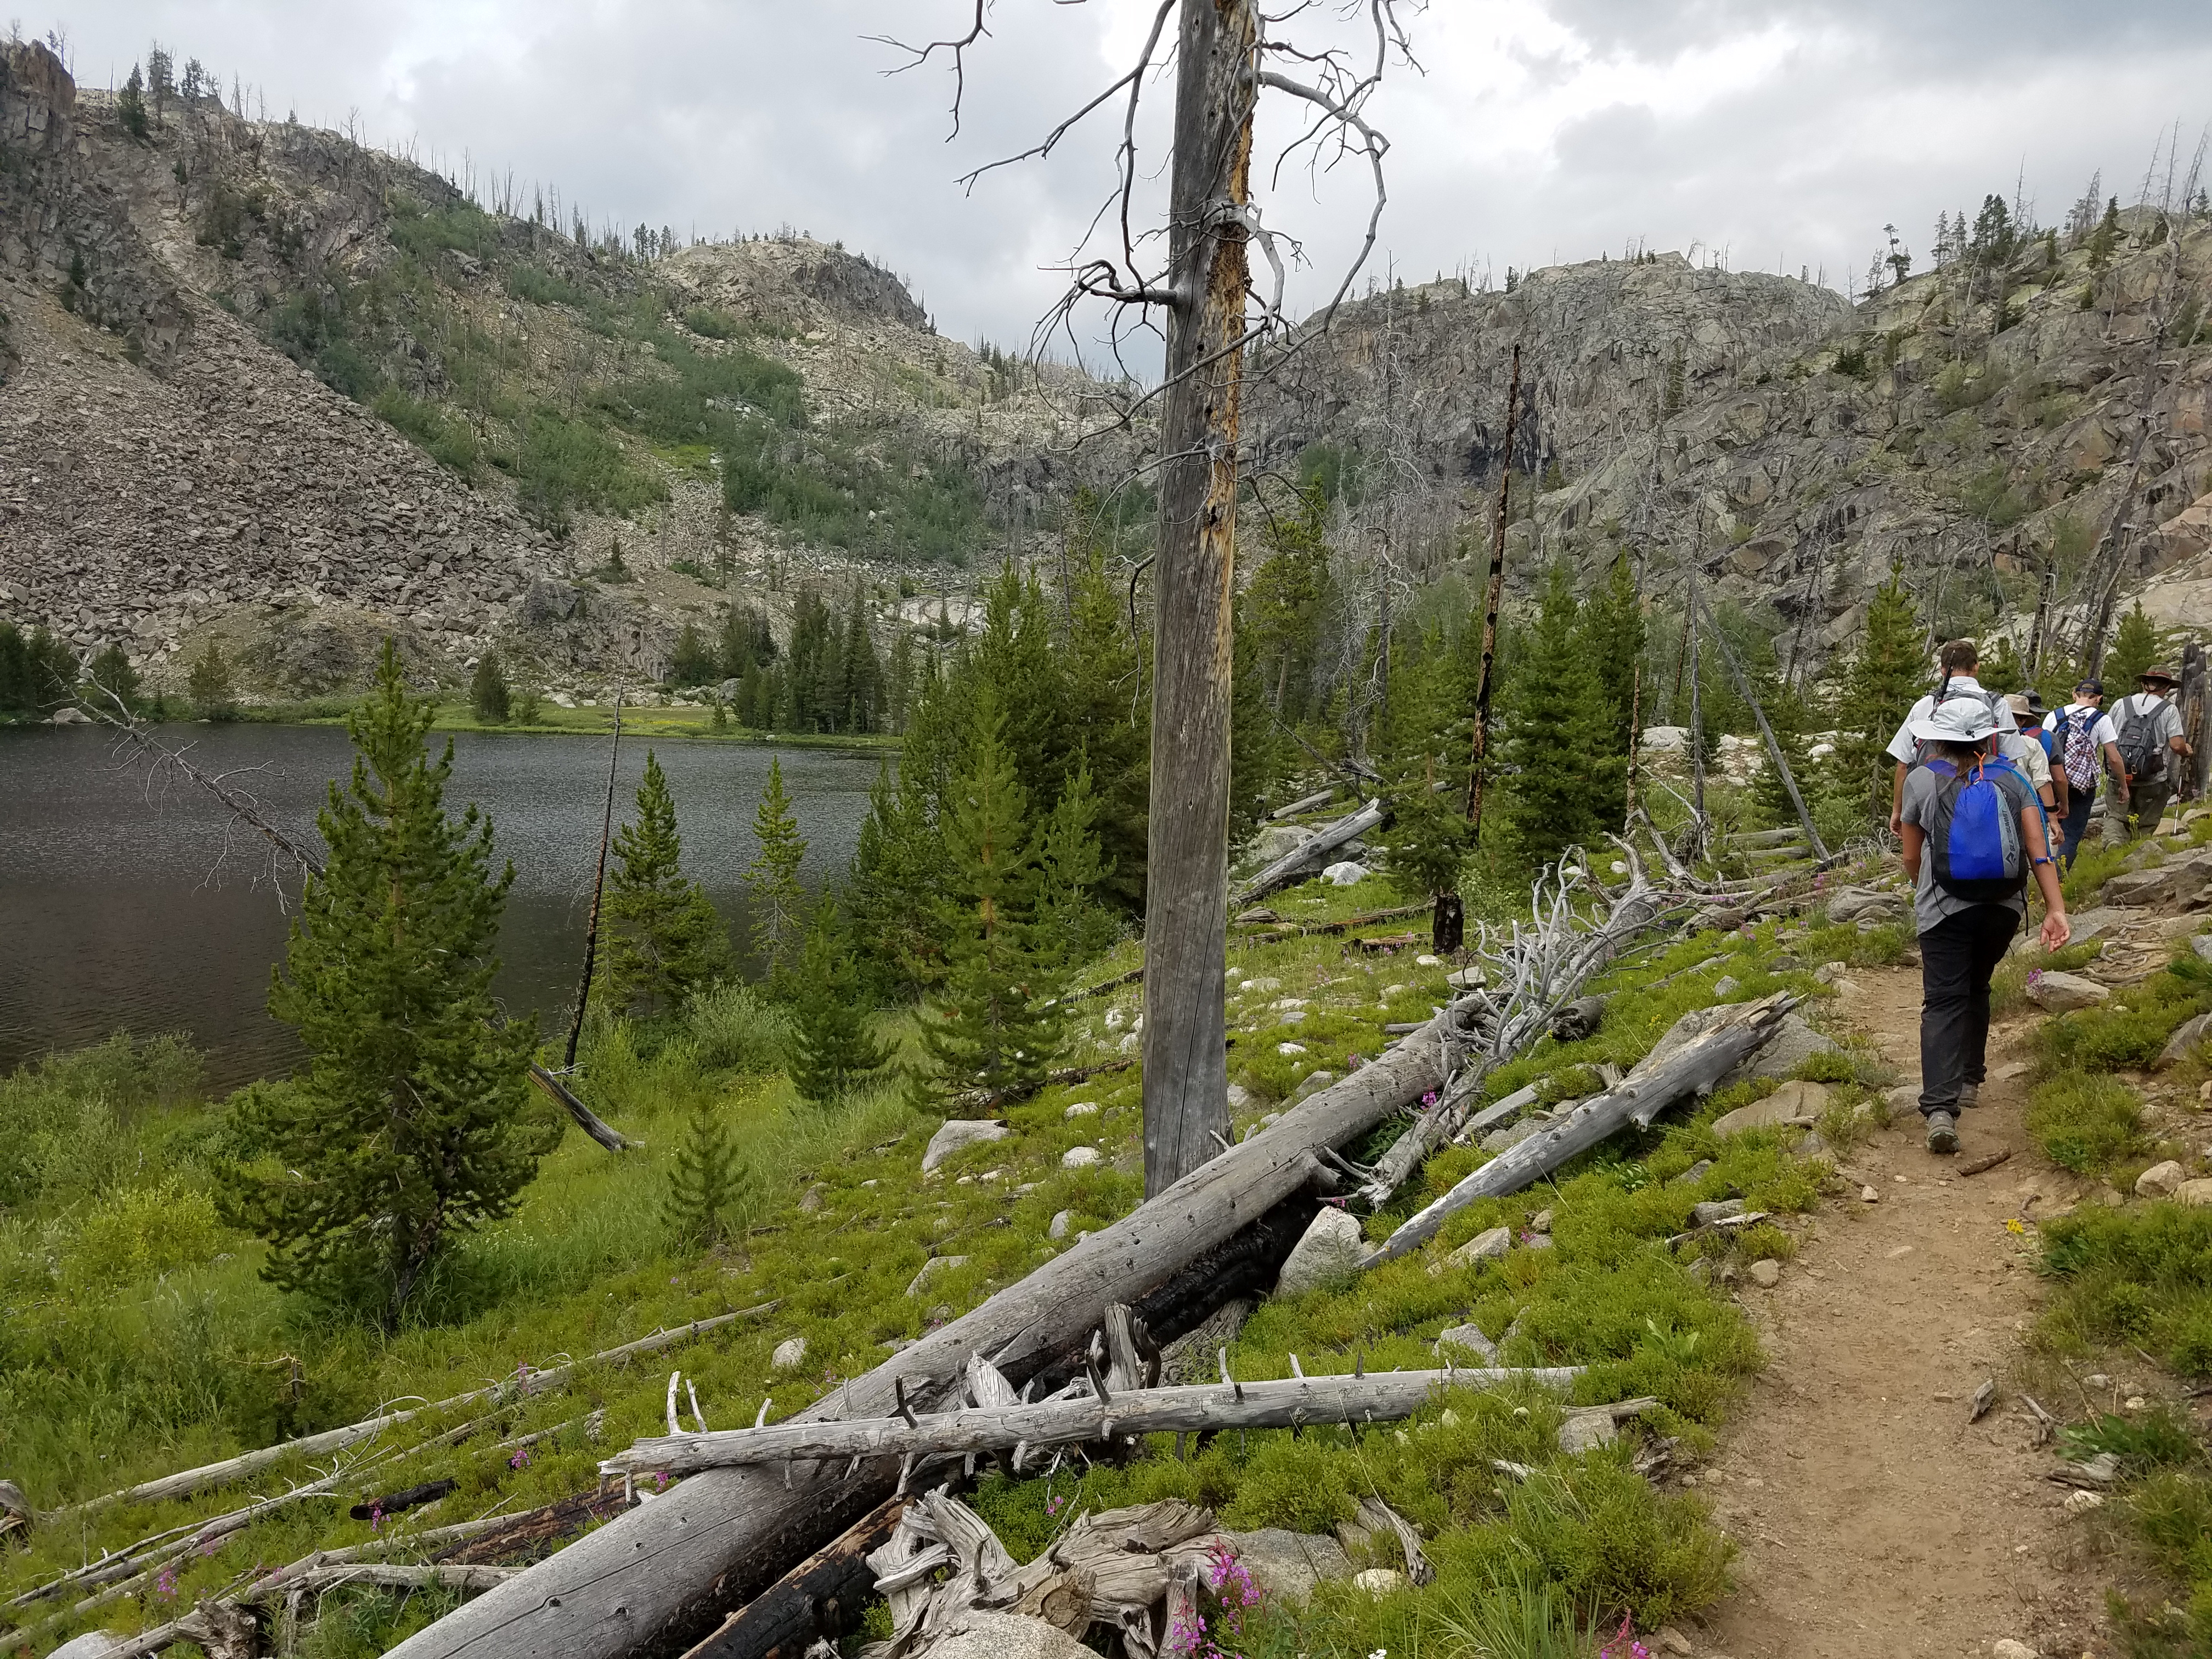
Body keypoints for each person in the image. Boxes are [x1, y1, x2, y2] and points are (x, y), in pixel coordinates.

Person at [1898, 698, 2069, 1154]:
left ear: (1938, 737)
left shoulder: (1920, 779)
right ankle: (1971, 1079)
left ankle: (1940, 1107)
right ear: (1990, 736)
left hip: (1942, 911)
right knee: (1978, 986)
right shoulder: (2013, 777)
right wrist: (2056, 909)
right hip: (2002, 908)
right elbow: (2038, 850)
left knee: (1943, 1000)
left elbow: (1911, 856)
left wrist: (1924, 887)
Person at [1887, 639, 2018, 836]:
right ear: (1976, 667)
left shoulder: (1925, 705)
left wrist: (1899, 811)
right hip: (1986, 803)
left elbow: (1903, 764)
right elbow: (2013, 760)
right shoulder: (1998, 705)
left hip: (1933, 803)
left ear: (1942, 670)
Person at [2103, 665, 2192, 845]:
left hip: (2119, 774)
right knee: (2147, 821)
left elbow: (2106, 737)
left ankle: (2114, 845)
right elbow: (2176, 745)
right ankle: (2138, 850)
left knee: (2116, 815)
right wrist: (2187, 751)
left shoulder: (2120, 704)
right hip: (2152, 777)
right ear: (2167, 687)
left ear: (2144, 683)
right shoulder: (2168, 710)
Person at [2044, 678, 2128, 866]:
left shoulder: (2054, 716)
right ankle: (2059, 878)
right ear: (2099, 699)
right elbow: (2114, 758)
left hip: (2054, 779)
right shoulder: (2101, 719)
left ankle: (2043, 873)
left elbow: (2043, 748)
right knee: (2072, 833)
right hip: (2082, 784)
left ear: (2075, 694)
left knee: (2049, 825)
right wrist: (2123, 785)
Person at [2001, 692, 2059, 812]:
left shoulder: (1984, 742)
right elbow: (2042, 781)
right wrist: (2052, 814)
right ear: (2023, 720)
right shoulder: (2032, 744)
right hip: (2024, 807)